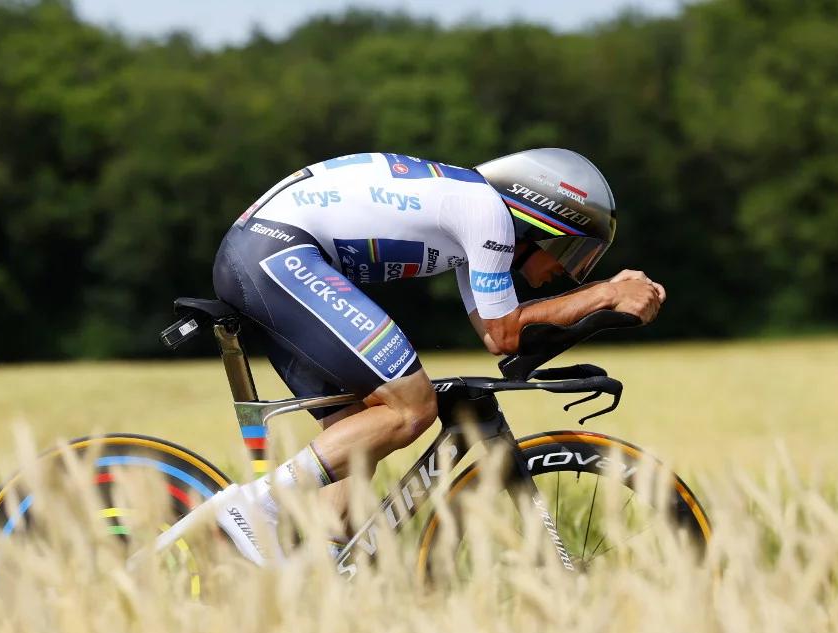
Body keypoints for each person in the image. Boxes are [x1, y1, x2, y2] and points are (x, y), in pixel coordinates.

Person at [162, 149, 664, 564]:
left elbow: (500, 340)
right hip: (278, 253)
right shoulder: (487, 214)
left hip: (267, 253)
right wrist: (604, 293)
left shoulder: (476, 223)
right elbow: (505, 328)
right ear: (540, 217)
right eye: (569, 252)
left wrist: (598, 310)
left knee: (358, 434)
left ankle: (322, 567)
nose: (561, 270)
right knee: (411, 408)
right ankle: (259, 507)